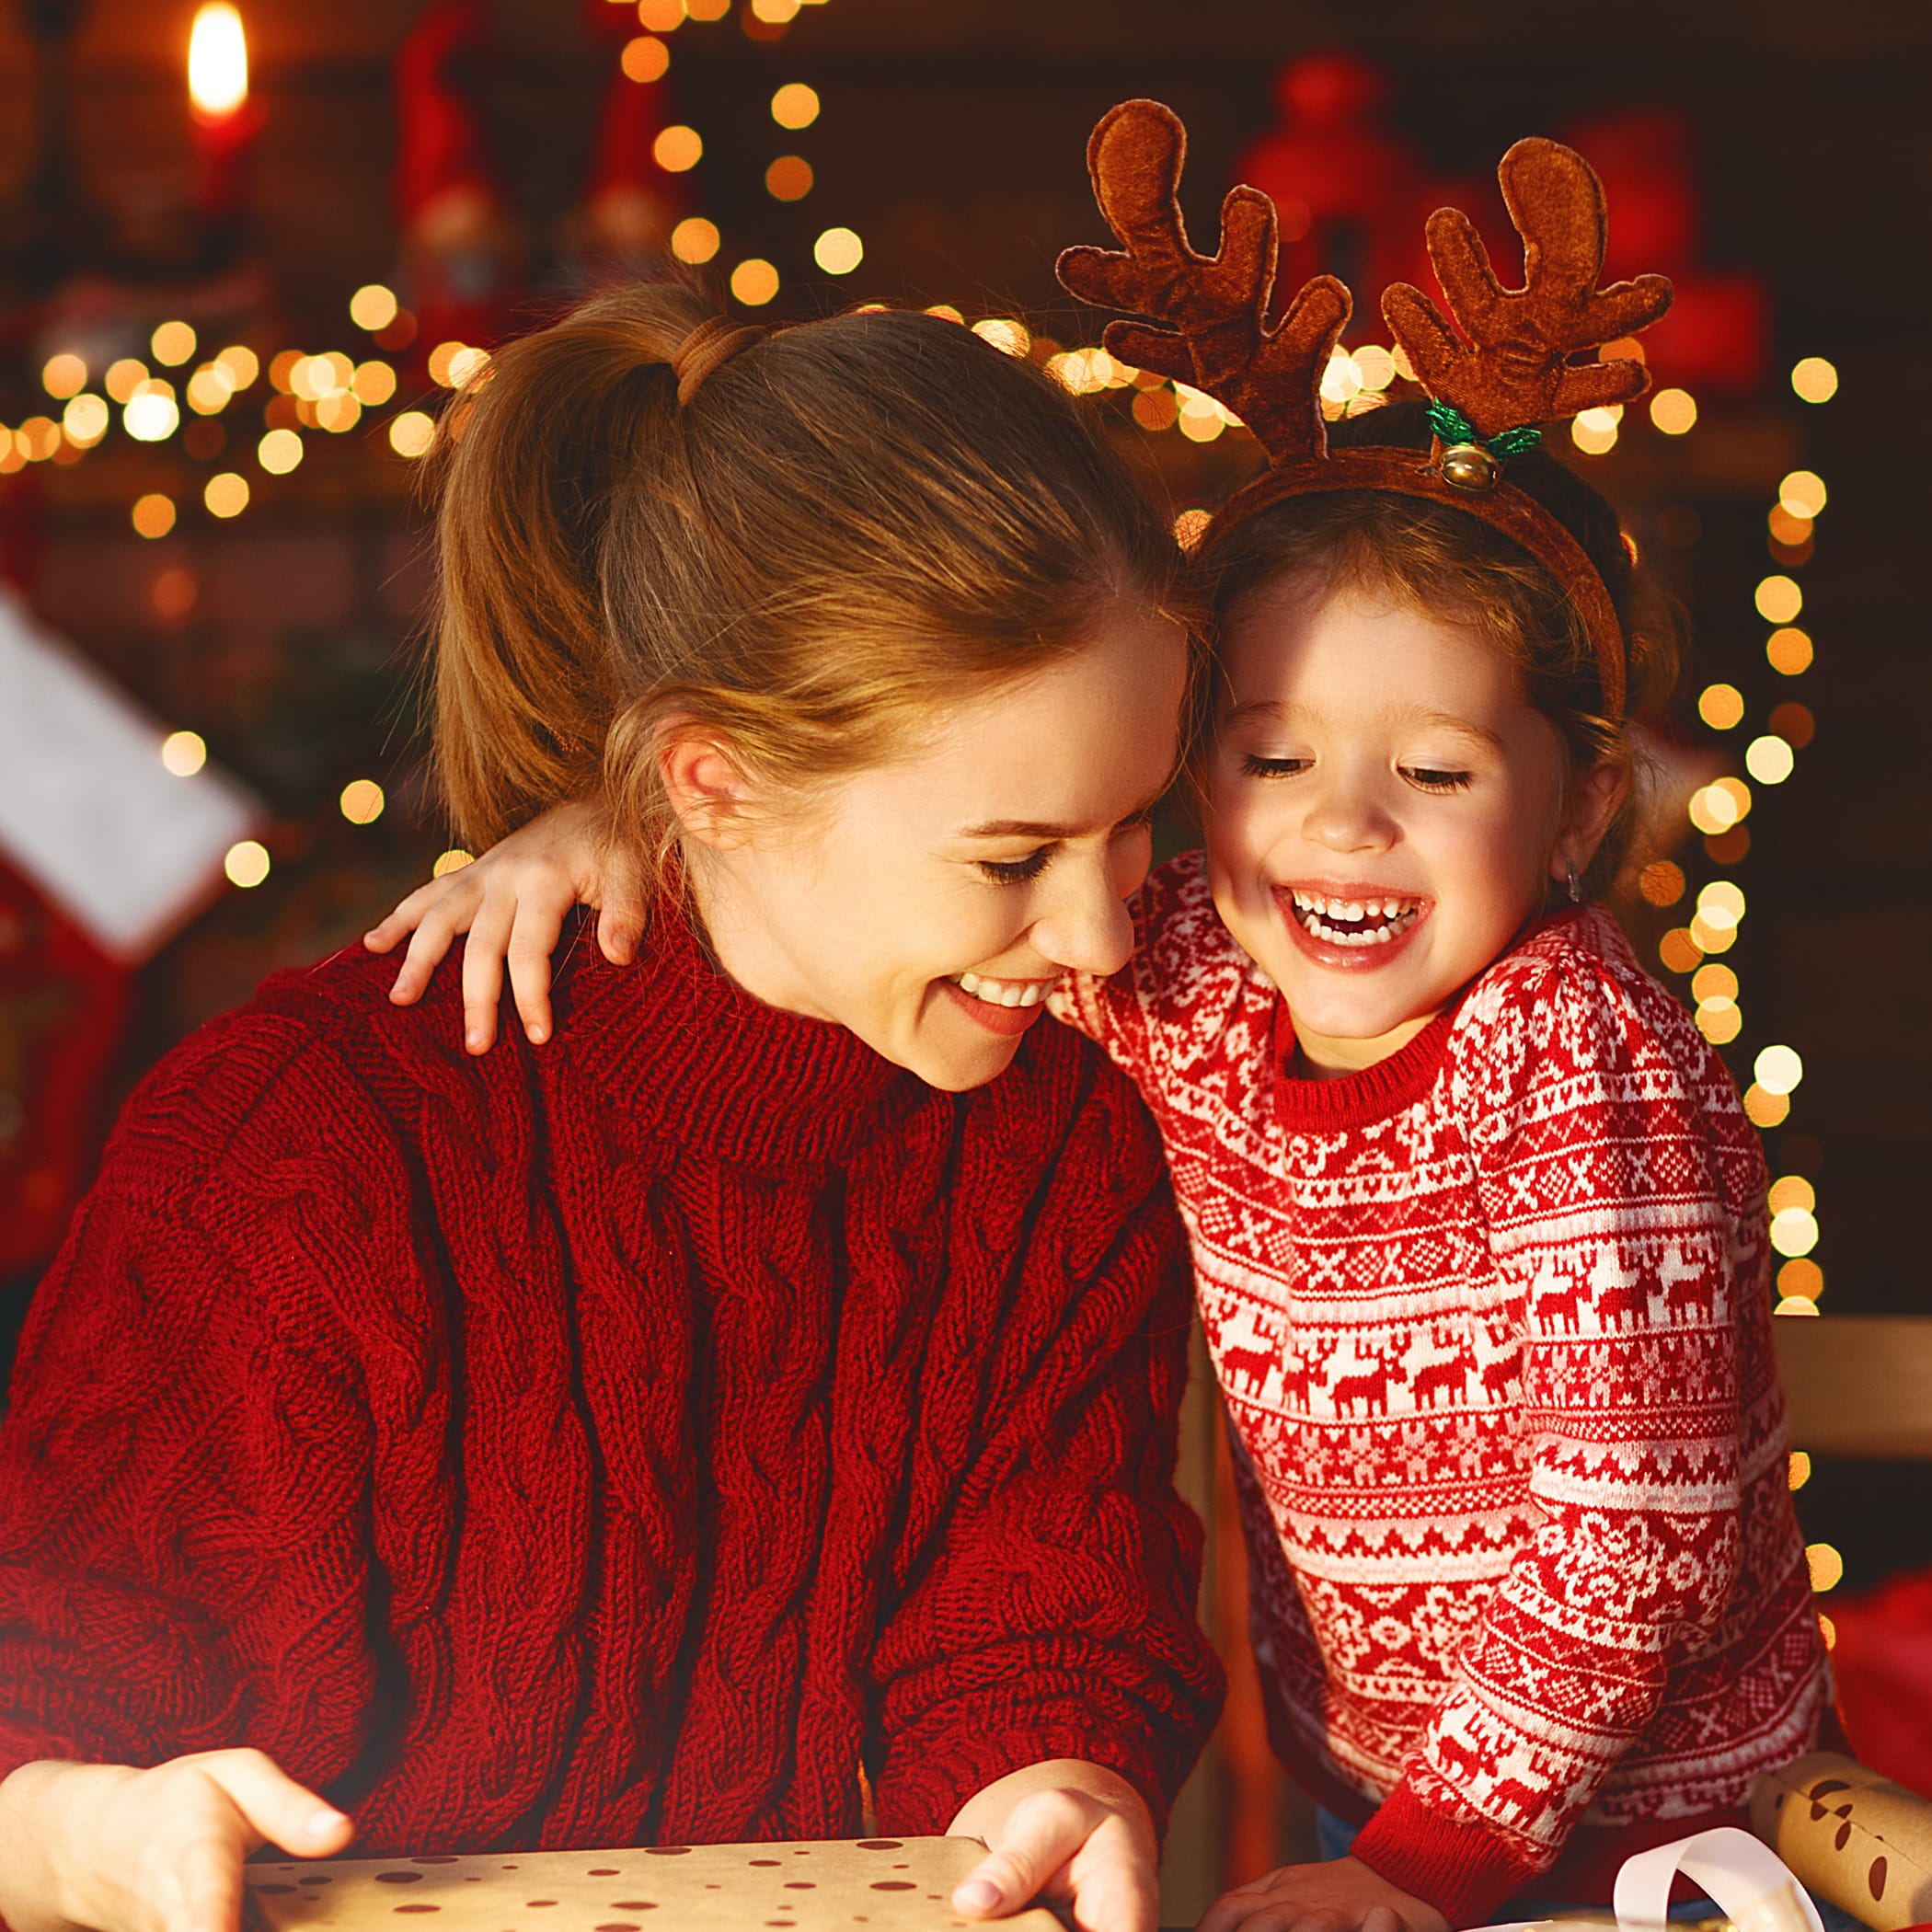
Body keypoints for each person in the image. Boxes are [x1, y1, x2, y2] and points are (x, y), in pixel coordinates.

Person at [376, 116, 1831, 1932]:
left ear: (1580, 809)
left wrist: (1417, 1871)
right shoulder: (1197, 970)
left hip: (1664, 1837)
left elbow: (1636, 1534)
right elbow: (891, 867)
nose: (1342, 824)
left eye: (1437, 769)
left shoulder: (1585, 1070)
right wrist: (620, 826)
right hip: (1384, 1815)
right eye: (1266, 758)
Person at [0, 282, 1229, 1932]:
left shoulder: (1061, 1127)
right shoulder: (302, 1145)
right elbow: (51, 1683)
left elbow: (1042, 1608)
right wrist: (91, 1841)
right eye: (1012, 859)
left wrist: (1051, 1778)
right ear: (713, 781)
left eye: (1135, 823)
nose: (1100, 937)